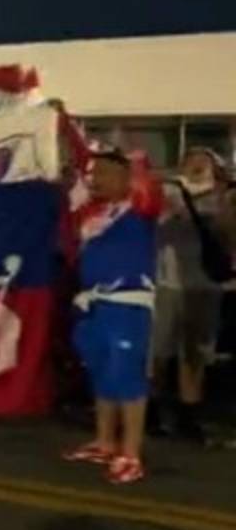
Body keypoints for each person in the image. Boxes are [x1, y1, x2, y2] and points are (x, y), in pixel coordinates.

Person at [63, 146, 163, 484]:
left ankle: (131, 454)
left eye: (104, 173)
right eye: (94, 174)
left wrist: (107, 150)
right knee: (102, 373)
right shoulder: (94, 216)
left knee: (127, 377)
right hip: (92, 305)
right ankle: (105, 442)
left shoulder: (142, 210)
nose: (96, 179)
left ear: (126, 179)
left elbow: (148, 185)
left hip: (128, 305)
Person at [151, 147, 236, 441]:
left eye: (206, 160)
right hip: (168, 281)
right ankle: (153, 408)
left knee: (195, 353)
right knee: (159, 351)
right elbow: (157, 227)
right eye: (192, 159)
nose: (198, 164)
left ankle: (189, 413)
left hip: (204, 285)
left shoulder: (224, 197)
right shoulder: (169, 191)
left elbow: (228, 236)